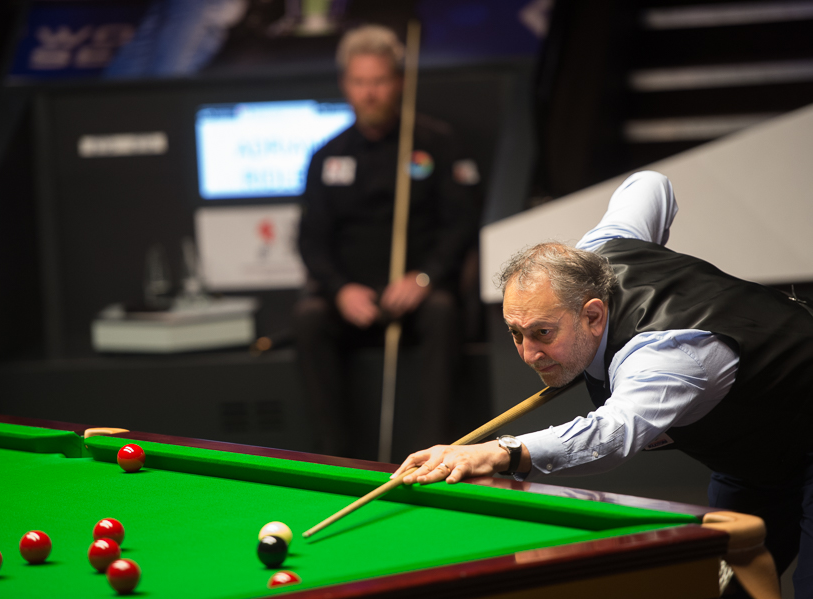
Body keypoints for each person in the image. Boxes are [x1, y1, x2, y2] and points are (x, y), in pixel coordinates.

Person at [393, 170, 813, 594]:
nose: (528, 354)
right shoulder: (598, 255)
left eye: (543, 333)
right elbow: (650, 183)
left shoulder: (665, 355)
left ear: (593, 315)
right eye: (516, 333)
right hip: (749, 458)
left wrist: (500, 453)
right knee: (722, 590)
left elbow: (610, 435)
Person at [294, 25, 481, 460]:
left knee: (442, 311)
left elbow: (461, 224)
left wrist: (424, 278)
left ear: (398, 82)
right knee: (308, 317)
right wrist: (340, 289)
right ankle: (331, 457)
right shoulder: (327, 156)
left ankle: (432, 456)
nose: (369, 92)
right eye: (359, 82)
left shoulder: (435, 143)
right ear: (345, 85)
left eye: (378, 80)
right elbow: (310, 240)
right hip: (352, 300)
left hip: (415, 295)